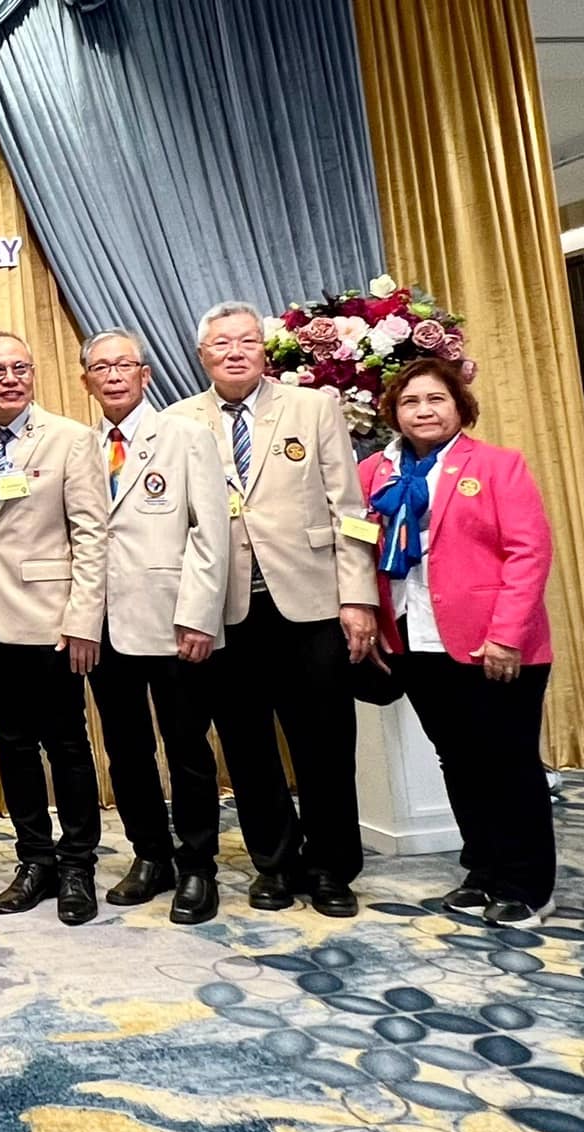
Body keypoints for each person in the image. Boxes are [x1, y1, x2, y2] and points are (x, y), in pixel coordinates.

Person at [165, 302, 380, 918]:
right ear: (202, 356)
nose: (235, 352)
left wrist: (357, 597)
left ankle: (332, 867)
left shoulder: (313, 408)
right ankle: (275, 864)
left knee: (325, 744)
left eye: (247, 341)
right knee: (248, 746)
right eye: (221, 344)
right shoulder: (179, 422)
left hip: (311, 605)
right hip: (228, 610)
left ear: (265, 350)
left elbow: (349, 510)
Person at [359, 358, 556, 927]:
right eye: (410, 402)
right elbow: (359, 547)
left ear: (459, 406)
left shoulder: (497, 465)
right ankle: (484, 870)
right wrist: (373, 621)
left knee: (509, 762)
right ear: (393, 412)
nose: (423, 411)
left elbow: (529, 553)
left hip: (494, 642)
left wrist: (506, 636)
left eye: (435, 399)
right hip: (414, 638)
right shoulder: (374, 471)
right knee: (460, 761)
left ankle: (527, 885)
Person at [0, 331, 109, 926]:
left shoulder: (70, 438)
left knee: (66, 744)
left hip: (52, 621)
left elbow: (92, 534)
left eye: (20, 368)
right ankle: (35, 859)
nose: (10, 379)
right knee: (12, 746)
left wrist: (84, 619)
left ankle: (78, 865)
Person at [79, 330, 230, 925]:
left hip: (175, 623)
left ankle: (198, 865)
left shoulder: (187, 435)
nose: (113, 376)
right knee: (126, 750)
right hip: (106, 625)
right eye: (101, 368)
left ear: (145, 375)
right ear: (87, 380)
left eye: (124, 365)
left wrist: (199, 615)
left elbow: (211, 533)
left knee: (187, 747)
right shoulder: (81, 446)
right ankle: (150, 855)